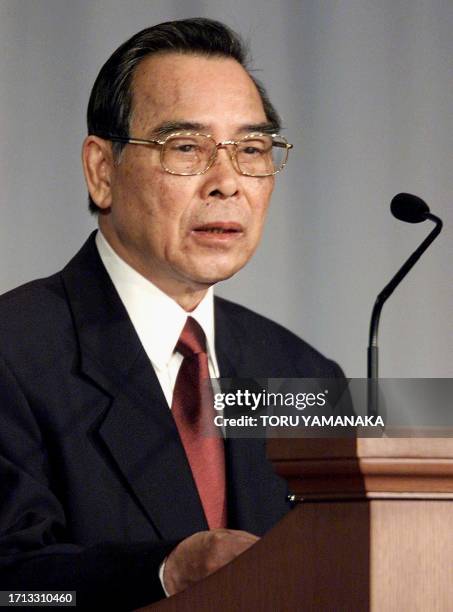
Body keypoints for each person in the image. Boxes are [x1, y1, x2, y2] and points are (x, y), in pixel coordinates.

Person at [0, 18, 348, 609]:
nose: (227, 183)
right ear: (101, 171)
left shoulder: (304, 373)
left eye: (252, 150)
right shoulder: (16, 352)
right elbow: (14, 588)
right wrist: (162, 573)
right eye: (186, 148)